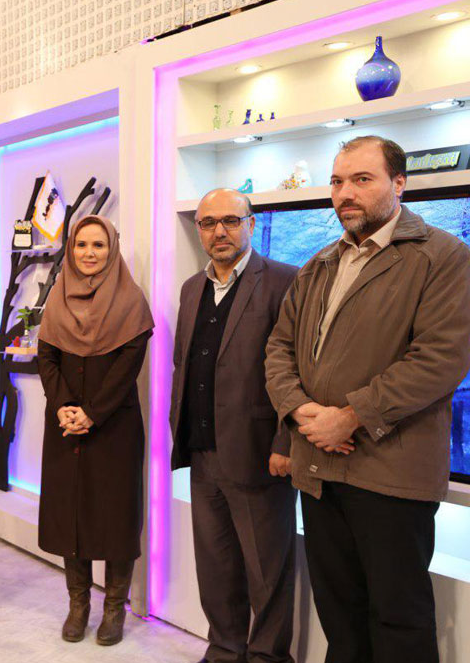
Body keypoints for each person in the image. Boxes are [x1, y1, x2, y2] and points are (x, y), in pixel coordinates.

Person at [265, 135, 470, 663]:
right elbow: (279, 348)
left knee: (399, 622)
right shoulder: (319, 264)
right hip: (319, 470)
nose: (345, 193)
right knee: (341, 619)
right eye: (337, 182)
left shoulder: (443, 257)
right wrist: (301, 413)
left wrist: (352, 416)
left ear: (399, 184)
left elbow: (440, 359)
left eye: (361, 179)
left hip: (390, 475)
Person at [171, 189, 298, 663]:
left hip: (260, 452)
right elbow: (184, 364)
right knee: (216, 564)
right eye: (208, 223)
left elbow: (298, 369)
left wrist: (287, 440)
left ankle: (267, 656)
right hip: (202, 451)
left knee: (267, 571)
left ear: (251, 223)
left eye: (230, 220)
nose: (219, 231)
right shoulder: (192, 288)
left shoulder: (285, 281)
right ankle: (224, 649)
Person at [36, 214, 153, 647]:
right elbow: (46, 357)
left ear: (112, 249)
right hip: (64, 426)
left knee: (116, 518)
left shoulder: (132, 300)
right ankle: (78, 605)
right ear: (71, 250)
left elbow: (127, 367)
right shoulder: (57, 296)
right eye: (81, 245)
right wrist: (64, 407)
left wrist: (92, 413)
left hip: (114, 428)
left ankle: (114, 608)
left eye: (98, 245)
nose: (89, 253)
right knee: (72, 515)